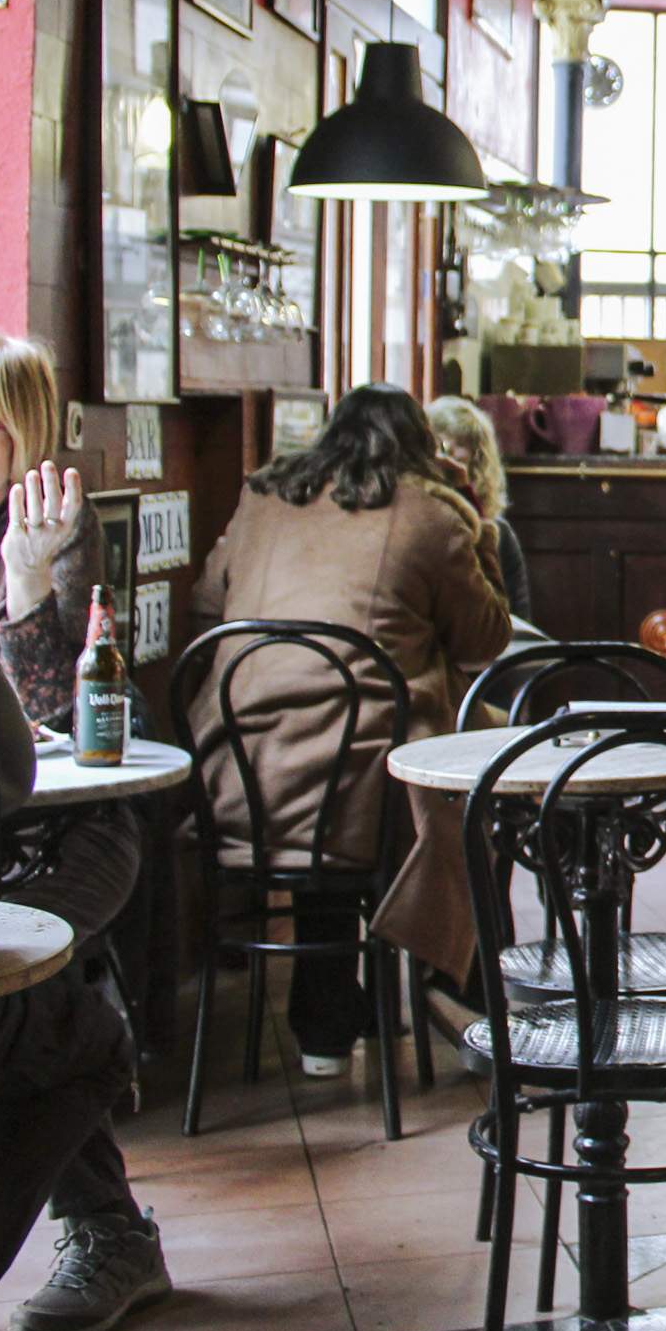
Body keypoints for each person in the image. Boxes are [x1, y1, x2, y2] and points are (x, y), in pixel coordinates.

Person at [0, 333, 172, 1331]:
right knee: (54, 1014)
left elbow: (73, 724)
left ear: (25, 441)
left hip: (72, 833)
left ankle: (67, 1242)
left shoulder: (61, 535)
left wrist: (24, 586)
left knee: (22, 979)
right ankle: (107, 1230)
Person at [190, 383, 513, 1073]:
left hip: (237, 777)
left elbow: (206, 600)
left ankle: (326, 1023)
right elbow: (484, 639)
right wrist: (476, 519)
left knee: (334, 778)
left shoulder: (261, 497)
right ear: (422, 449)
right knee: (454, 772)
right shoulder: (432, 512)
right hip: (366, 792)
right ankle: (466, 988)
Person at [425, 393, 535, 621]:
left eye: (459, 446)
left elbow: (516, 620)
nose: (449, 456)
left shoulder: (499, 534)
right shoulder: (412, 527)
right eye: (441, 445)